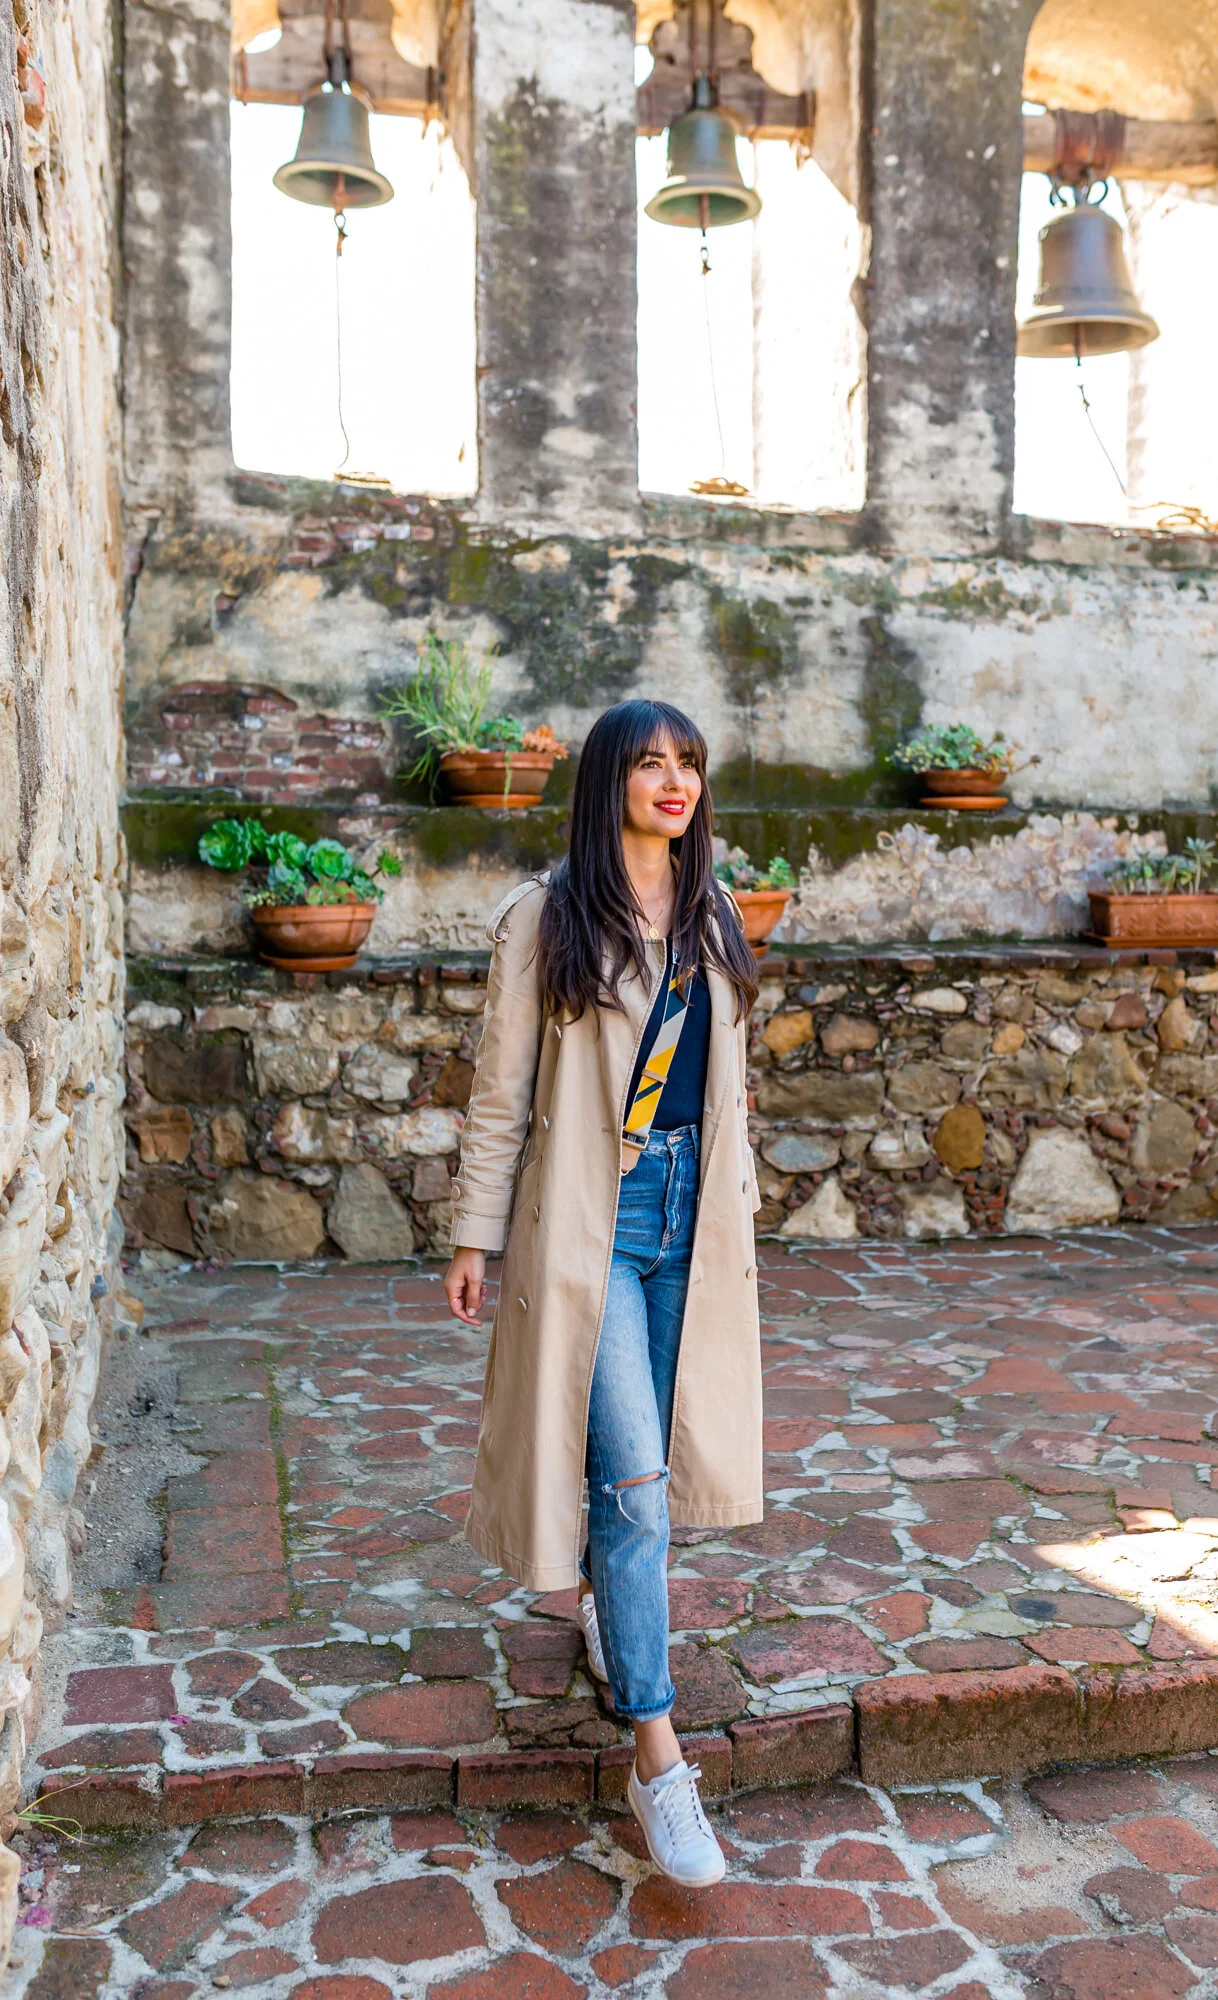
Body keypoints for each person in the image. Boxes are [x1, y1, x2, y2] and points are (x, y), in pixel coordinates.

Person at [445, 698, 763, 1886]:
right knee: (630, 1479)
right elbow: (498, 1095)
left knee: (652, 1469)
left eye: (686, 762)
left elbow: (727, 1093)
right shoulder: (546, 916)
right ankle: (657, 1755)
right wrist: (477, 1233)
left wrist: (735, 1211)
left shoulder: (716, 912)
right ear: (607, 782)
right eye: (648, 762)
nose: (673, 780)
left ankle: (605, 1619)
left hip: (693, 1218)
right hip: (595, 1217)